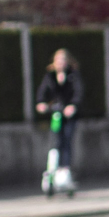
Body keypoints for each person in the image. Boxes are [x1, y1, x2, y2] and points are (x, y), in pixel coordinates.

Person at [34, 47, 84, 176]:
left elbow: (78, 92)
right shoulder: (50, 76)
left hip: (69, 115)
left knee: (67, 139)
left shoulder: (73, 75)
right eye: (58, 60)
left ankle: (65, 168)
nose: (60, 63)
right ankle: (53, 167)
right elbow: (42, 91)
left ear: (67, 62)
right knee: (56, 140)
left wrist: (73, 105)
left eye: (63, 60)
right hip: (56, 114)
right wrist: (41, 103)